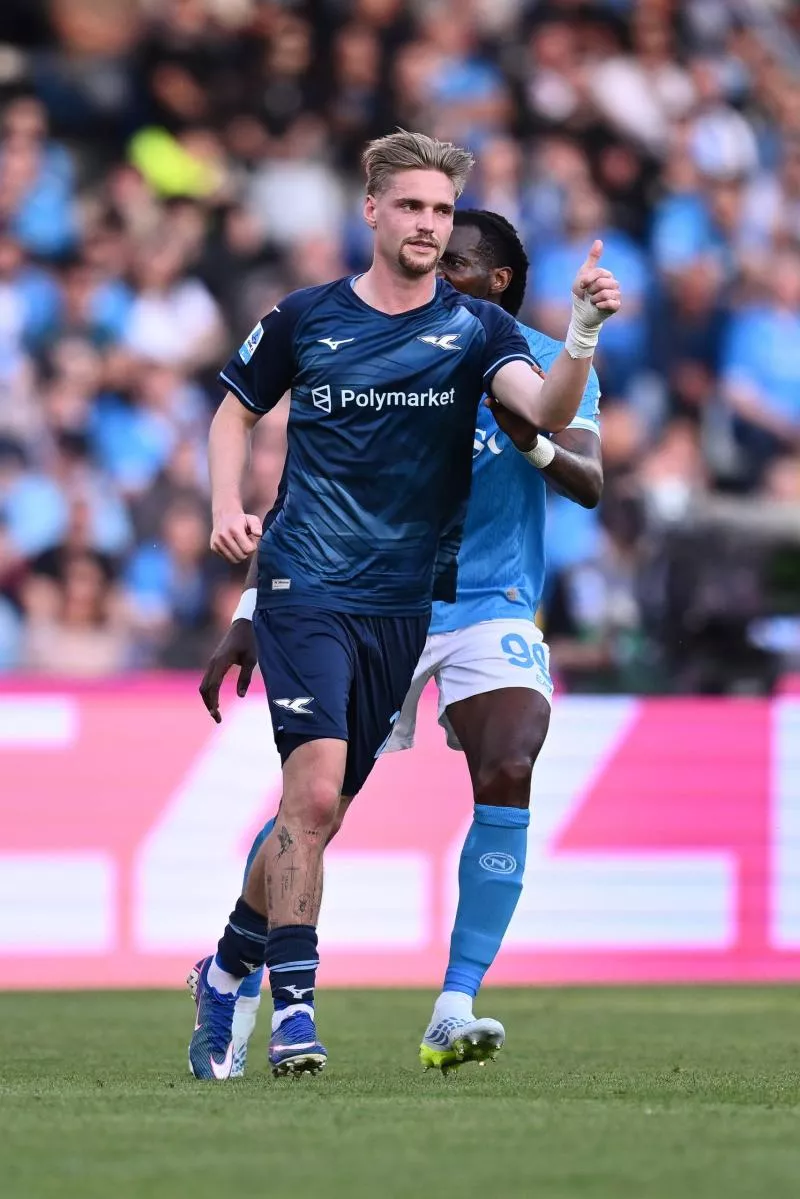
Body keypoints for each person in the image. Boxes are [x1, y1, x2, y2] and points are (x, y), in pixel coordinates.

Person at [191, 131, 621, 1081]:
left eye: (450, 229)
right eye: (418, 213)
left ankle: (447, 998)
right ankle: (261, 988)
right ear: (374, 213)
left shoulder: (498, 343)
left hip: (469, 601)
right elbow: (286, 460)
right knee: (318, 801)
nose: (435, 243)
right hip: (336, 590)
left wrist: (577, 344)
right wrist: (250, 593)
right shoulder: (317, 320)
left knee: (503, 761)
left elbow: (578, 459)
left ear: (499, 280)